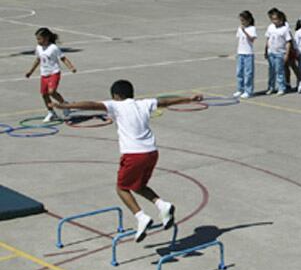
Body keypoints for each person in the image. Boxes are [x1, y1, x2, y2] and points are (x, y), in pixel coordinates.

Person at [51, 80, 201, 242]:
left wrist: (66, 106)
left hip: (133, 155)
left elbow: (92, 105)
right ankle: (162, 205)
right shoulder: (143, 103)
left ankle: (141, 217)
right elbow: (165, 101)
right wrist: (189, 99)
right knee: (138, 186)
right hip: (151, 152)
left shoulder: (116, 105)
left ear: (116, 95)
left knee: (121, 188)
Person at [24, 27, 77, 123]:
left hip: (54, 72)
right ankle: (51, 112)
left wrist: (71, 67)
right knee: (44, 95)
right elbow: (38, 60)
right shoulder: (38, 48)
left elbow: (63, 58)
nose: (38, 41)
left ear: (47, 38)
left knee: (51, 92)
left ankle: (65, 105)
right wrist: (30, 71)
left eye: (39, 39)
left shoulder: (53, 48)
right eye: (37, 39)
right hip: (44, 74)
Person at [265, 8, 292, 95]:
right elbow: (268, 39)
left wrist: (287, 54)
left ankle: (281, 87)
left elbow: (288, 42)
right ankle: (271, 87)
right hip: (271, 52)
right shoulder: (270, 27)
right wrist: (266, 50)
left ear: (281, 19)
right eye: (273, 19)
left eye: (276, 19)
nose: (274, 21)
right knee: (271, 71)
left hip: (280, 53)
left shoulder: (284, 29)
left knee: (279, 71)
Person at [233, 11, 256, 99]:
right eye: (241, 21)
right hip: (240, 53)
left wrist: (245, 31)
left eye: (243, 20)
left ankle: (248, 91)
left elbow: (252, 39)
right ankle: (240, 89)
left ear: (248, 20)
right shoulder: (239, 28)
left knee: (248, 73)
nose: (242, 22)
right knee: (239, 72)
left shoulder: (252, 28)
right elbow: (239, 40)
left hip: (248, 53)